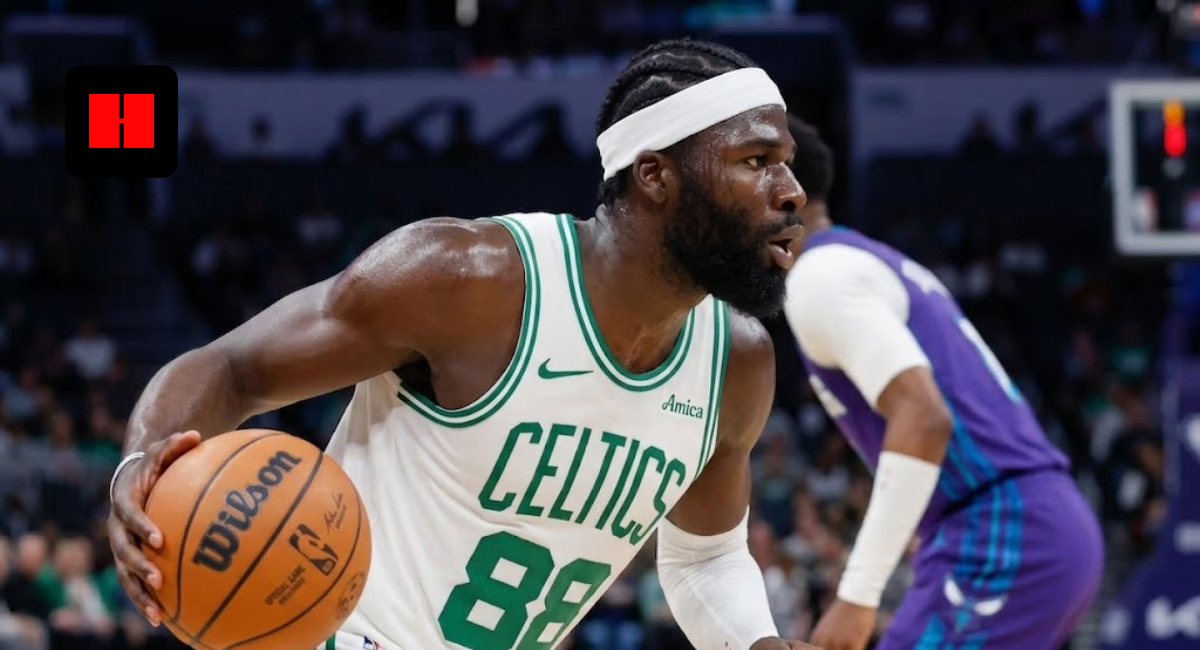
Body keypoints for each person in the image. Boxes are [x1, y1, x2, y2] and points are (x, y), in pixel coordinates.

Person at [106, 39, 820, 650]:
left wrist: (756, 642)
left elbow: (704, 561)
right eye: (756, 160)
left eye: (786, 162)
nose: (791, 190)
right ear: (655, 175)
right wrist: (141, 466)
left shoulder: (737, 362)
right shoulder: (468, 279)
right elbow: (233, 368)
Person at [780, 116, 1104, 650]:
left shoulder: (821, 276)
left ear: (779, 190)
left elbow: (926, 418)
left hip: (1001, 528)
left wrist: (857, 594)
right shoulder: (861, 259)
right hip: (1023, 518)